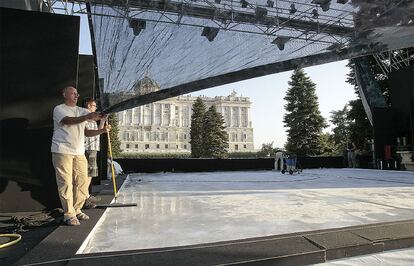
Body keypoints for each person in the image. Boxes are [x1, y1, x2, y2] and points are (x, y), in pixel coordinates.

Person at [51, 86, 109, 226]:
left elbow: (87, 131)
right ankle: (69, 214)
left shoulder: (82, 110)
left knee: (83, 182)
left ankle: (77, 209)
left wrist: (102, 128)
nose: (76, 95)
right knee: (65, 183)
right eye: (73, 93)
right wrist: (87, 116)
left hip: (79, 152)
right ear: (64, 95)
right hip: (62, 150)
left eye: (77, 93)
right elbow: (67, 121)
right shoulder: (59, 109)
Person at [83, 98, 109, 209]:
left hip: (93, 147)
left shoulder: (92, 119)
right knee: (88, 173)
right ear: (89, 106)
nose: (96, 108)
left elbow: (98, 131)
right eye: (94, 106)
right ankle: (85, 196)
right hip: (88, 148)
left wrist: (103, 121)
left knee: (90, 173)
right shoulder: (85, 117)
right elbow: (88, 132)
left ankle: (86, 195)